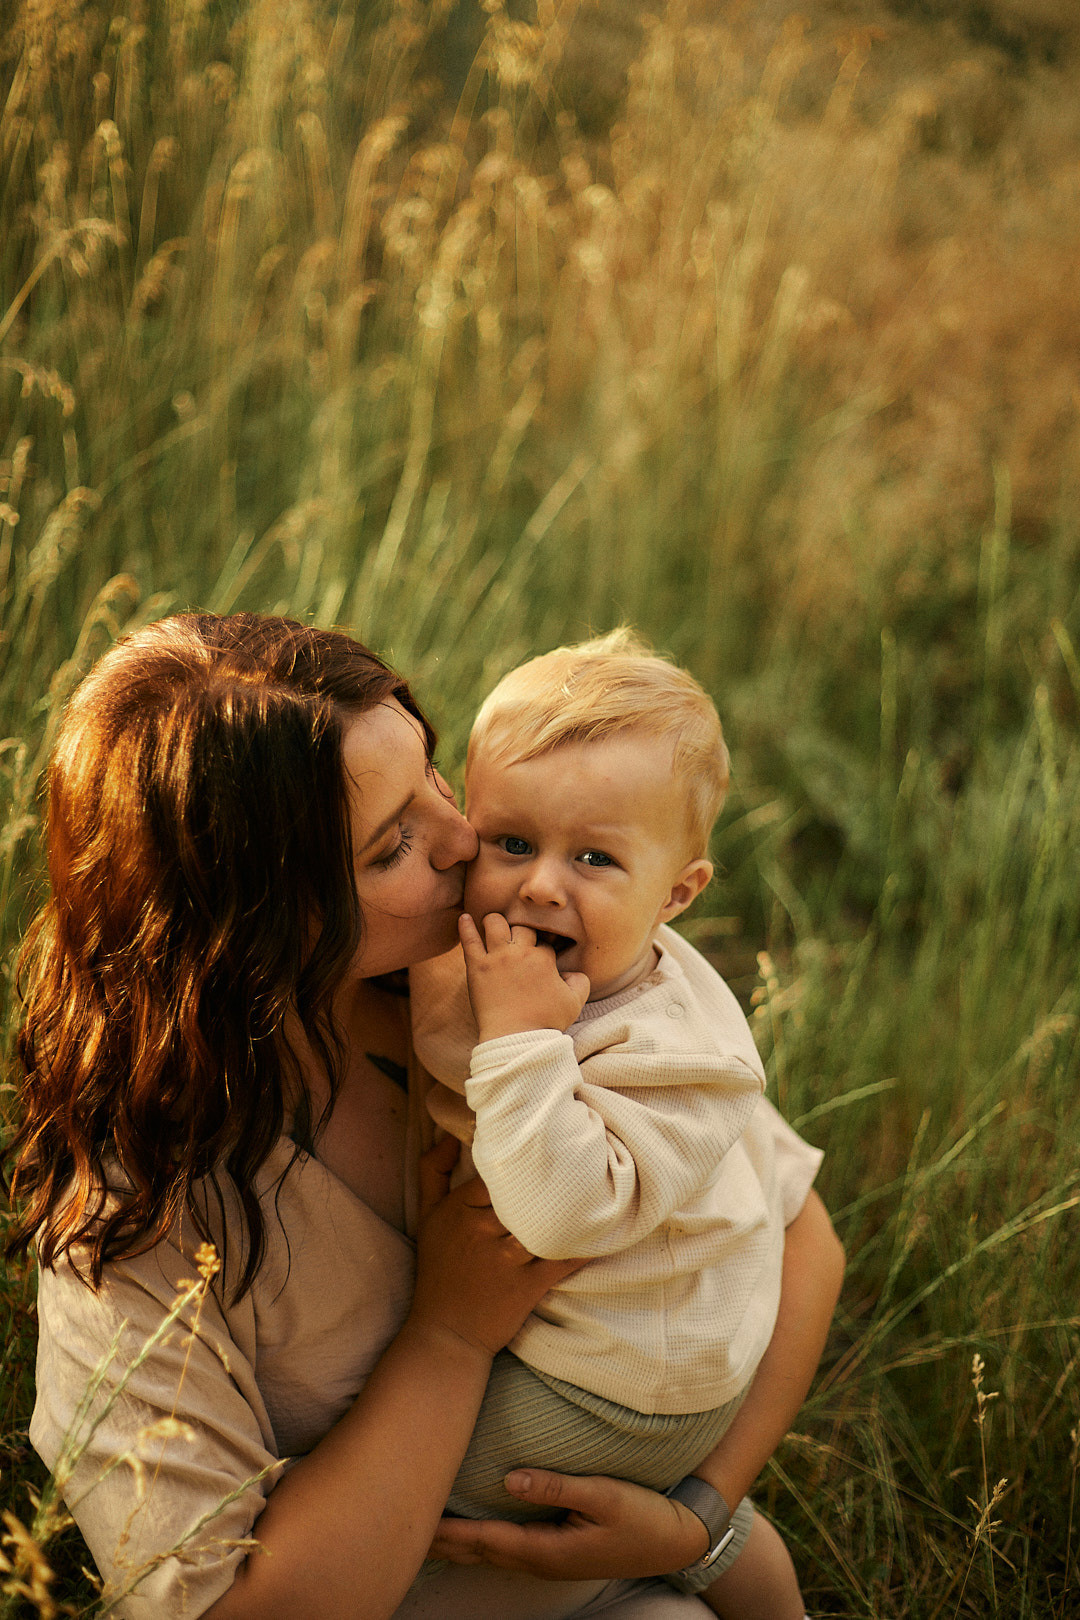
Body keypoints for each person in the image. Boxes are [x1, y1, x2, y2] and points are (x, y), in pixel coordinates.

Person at [3, 613, 843, 1620]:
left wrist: (701, 1515)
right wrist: (448, 1335)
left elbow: (796, 1228)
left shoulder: (505, 975)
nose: (464, 840)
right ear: (257, 926)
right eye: (392, 843)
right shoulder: (136, 1219)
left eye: (436, 780)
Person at [410, 632, 819, 1617]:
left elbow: (556, 1214)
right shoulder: (529, 953)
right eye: (512, 843)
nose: (543, 885)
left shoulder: (674, 1051)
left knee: (422, 1501)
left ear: (677, 895)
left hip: (622, 1392)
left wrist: (517, 1041)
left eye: (594, 857)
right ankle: (714, 1553)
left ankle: (708, 1548)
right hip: (613, 1351)